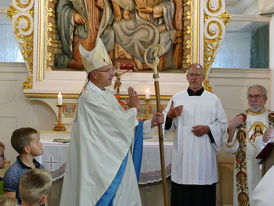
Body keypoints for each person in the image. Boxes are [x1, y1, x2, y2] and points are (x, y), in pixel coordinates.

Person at [59, 37, 164, 206]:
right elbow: (118, 124)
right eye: (108, 70)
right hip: (101, 165)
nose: (113, 74)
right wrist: (134, 109)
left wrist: (149, 123)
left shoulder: (106, 94)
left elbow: (122, 126)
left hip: (113, 159)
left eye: (112, 69)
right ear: (94, 74)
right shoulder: (89, 99)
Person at [163, 63, 227, 206]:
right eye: (191, 74)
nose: (194, 78)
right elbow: (165, 125)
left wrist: (208, 129)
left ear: (203, 77)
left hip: (203, 158)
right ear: (186, 77)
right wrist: (170, 116)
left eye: (197, 74)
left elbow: (223, 124)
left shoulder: (213, 100)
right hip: (183, 158)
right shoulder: (177, 98)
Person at [224, 84, 274, 206]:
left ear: (265, 99)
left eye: (257, 96)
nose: (253, 99)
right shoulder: (241, 119)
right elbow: (230, 149)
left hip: (269, 169)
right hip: (247, 170)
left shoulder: (272, 118)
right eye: (250, 96)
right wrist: (231, 128)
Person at [3, 127, 46, 205]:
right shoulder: (13, 174)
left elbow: (44, 198)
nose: (41, 144)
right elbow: (9, 203)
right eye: (37, 142)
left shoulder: (41, 168)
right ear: (27, 149)